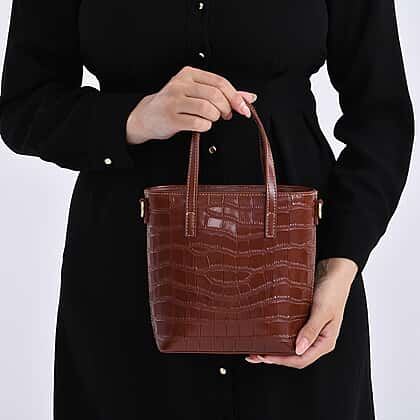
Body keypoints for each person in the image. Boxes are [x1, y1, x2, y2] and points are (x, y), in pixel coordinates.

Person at [0, 1, 414, 419]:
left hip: (297, 277)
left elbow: (382, 118)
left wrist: (339, 266)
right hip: (127, 284)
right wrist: (134, 118)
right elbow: (23, 105)